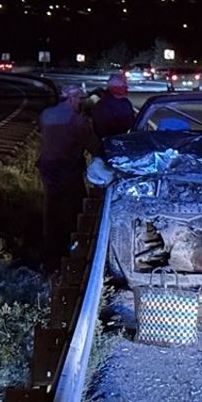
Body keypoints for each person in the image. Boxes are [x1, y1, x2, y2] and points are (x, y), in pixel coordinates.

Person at [37, 85, 100, 273]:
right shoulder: (76, 121)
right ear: (72, 99)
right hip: (68, 169)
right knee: (77, 208)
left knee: (52, 208)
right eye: (79, 99)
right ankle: (74, 248)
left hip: (47, 168)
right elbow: (93, 146)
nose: (80, 103)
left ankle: (49, 251)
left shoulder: (46, 115)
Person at [91, 73, 136, 138]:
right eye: (123, 85)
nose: (126, 87)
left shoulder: (125, 102)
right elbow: (102, 128)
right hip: (114, 139)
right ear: (114, 88)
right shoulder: (103, 105)